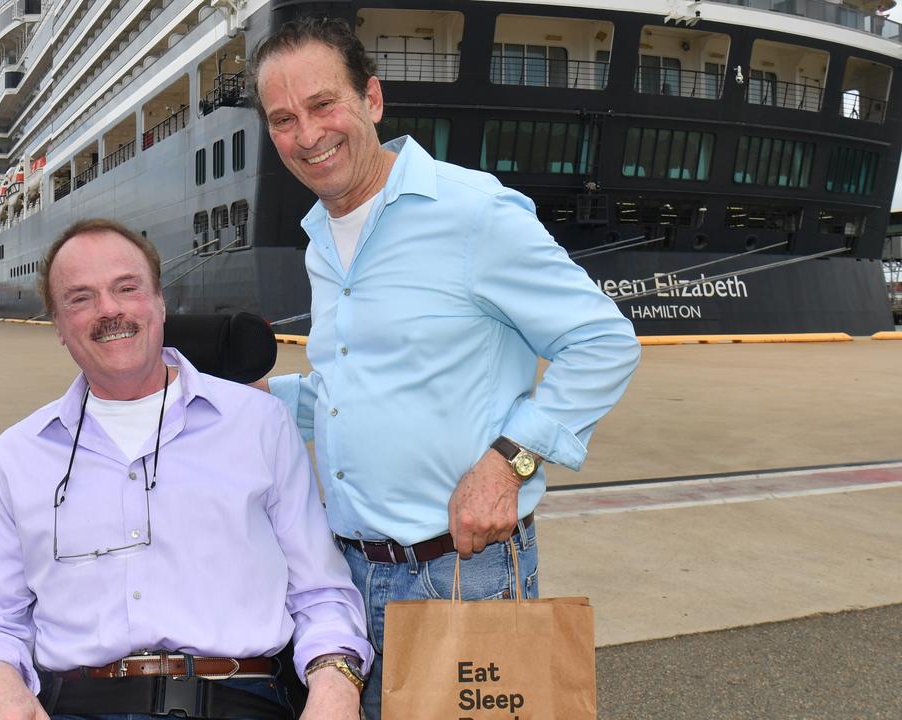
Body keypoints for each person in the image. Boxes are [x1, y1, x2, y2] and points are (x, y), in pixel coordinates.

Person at [250, 17, 642, 719]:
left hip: (459, 573)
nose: (307, 135)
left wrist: (506, 464)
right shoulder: (321, 238)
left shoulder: (472, 213)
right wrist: (253, 400)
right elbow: (356, 391)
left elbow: (603, 342)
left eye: (322, 105)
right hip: (342, 578)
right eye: (283, 119)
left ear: (371, 99)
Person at [0, 218, 371, 720]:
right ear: (58, 326)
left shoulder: (259, 426)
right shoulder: (16, 456)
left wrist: (335, 687)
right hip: (77, 705)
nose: (110, 310)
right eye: (80, 298)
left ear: (160, 303)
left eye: (127, 288)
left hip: (238, 701)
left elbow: (321, 593)